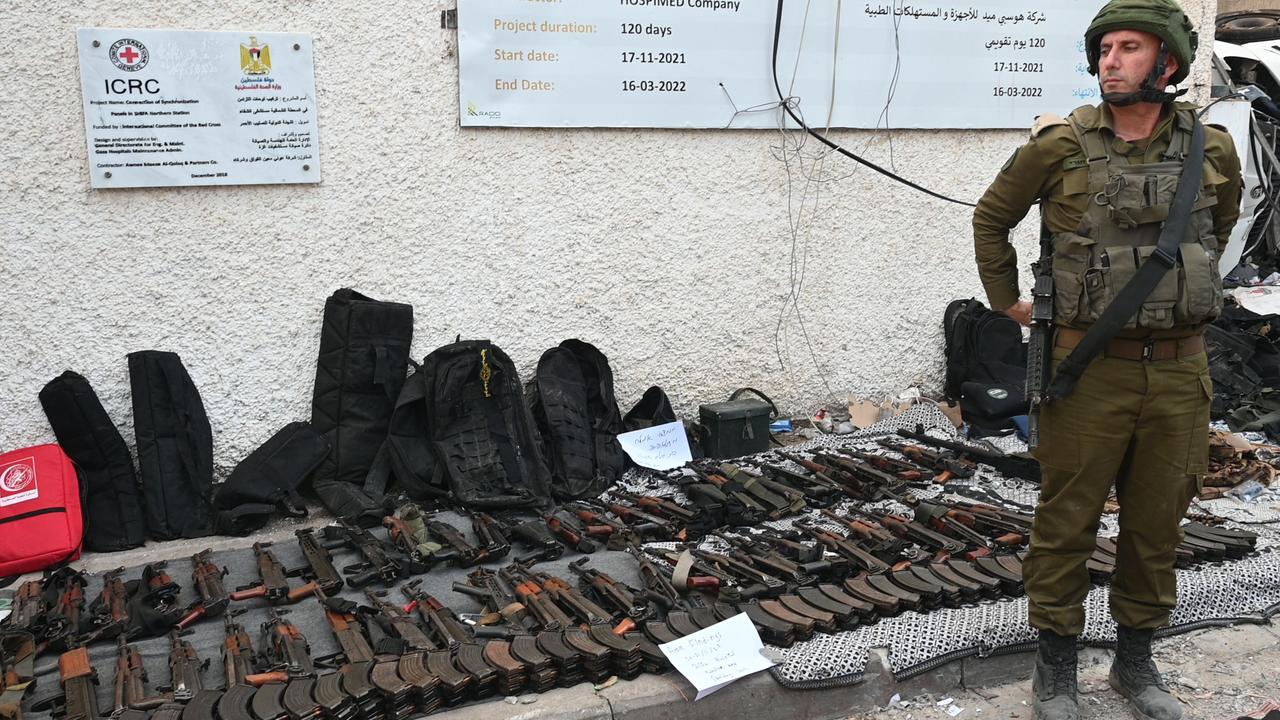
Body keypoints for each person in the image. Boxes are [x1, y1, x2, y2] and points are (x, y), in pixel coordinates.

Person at [971, 2, 1243, 720]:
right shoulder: (1056, 146)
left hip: (1182, 371)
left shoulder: (1211, 150)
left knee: (1159, 522)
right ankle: (1055, 669)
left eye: (1129, 47)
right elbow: (991, 218)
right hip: (1086, 371)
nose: (1110, 61)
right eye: (1104, 49)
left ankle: (1135, 662)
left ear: (1170, 64)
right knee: (1068, 522)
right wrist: (1008, 304)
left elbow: (1221, 223)